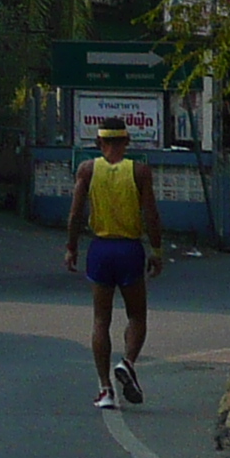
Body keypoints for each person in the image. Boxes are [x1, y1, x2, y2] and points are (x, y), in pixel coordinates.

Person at [62, 116, 164, 408]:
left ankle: (106, 389)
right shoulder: (139, 171)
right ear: (127, 142)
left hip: (100, 249)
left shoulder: (87, 169)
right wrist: (156, 250)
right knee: (137, 316)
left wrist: (71, 248)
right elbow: (151, 216)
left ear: (99, 142)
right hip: (130, 249)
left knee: (100, 320)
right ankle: (128, 362)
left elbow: (75, 215)